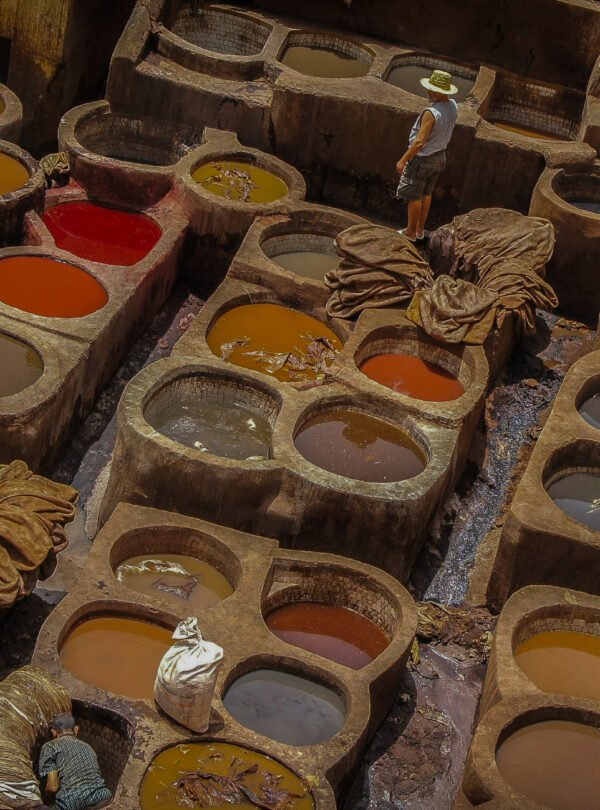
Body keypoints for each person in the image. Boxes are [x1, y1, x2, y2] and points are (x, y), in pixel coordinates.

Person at [395, 69, 459, 242]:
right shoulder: (453, 106)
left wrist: (403, 160)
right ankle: (419, 230)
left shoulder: (431, 113)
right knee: (426, 193)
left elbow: (419, 142)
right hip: (439, 157)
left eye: (431, 89)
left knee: (415, 195)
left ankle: (410, 231)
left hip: (423, 159)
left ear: (437, 91)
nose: (428, 91)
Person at [38, 714, 112, 810]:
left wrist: (46, 803)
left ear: (54, 732)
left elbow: (52, 787)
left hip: (70, 804)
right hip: (103, 798)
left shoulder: (50, 746)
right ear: (76, 729)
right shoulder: (88, 747)